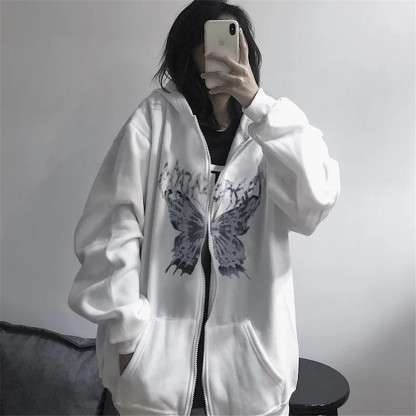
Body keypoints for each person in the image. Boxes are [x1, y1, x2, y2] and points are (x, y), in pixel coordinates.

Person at [67, 1, 341, 415]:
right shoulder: (153, 121)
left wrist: (258, 104)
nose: (222, 54)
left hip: (251, 381)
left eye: (232, 40)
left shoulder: (272, 130)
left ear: (248, 50)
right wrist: (129, 339)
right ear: (188, 52)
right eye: (209, 41)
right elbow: (110, 232)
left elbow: (315, 202)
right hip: (154, 379)